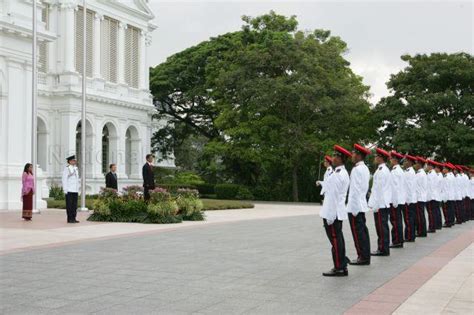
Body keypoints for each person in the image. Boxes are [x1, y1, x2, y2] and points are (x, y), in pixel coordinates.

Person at [319, 145, 351, 277]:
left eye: (334, 155)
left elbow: (334, 196)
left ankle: (339, 267)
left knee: (336, 240)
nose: (332, 157)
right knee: (338, 239)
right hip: (334, 211)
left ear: (339, 158)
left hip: (333, 213)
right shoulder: (338, 172)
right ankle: (341, 263)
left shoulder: (339, 174)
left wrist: (330, 215)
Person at [346, 144, 371, 265]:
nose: (352, 155)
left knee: (358, 233)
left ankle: (362, 256)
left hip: (355, 206)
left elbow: (355, 190)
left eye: (354, 153)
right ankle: (365, 255)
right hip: (360, 204)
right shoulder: (365, 168)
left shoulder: (357, 169)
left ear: (359, 155)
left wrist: (353, 208)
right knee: (363, 232)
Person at [368, 148, 392, 256]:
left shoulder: (382, 171)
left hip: (381, 203)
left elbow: (380, 189)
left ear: (381, 158)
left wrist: (376, 204)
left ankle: (383, 249)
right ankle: (382, 247)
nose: (375, 158)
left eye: (376, 156)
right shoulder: (381, 169)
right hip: (381, 203)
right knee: (381, 227)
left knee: (382, 227)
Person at [388, 151, 406, 248]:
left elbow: (395, 188)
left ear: (395, 159)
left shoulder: (395, 171)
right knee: (398, 220)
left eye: (391, 158)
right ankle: (399, 240)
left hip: (395, 200)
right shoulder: (399, 170)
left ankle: (397, 241)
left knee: (395, 221)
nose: (390, 160)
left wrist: (394, 201)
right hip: (399, 200)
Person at [403, 155, 418, 242]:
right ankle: (410, 235)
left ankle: (410, 236)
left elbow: (409, 187)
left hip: (409, 199)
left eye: (406, 161)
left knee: (409, 219)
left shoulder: (410, 172)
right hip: (410, 198)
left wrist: (407, 199)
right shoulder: (409, 171)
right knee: (409, 218)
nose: (404, 163)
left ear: (410, 162)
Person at [62, 155, 80, 223]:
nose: (74, 161)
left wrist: (78, 188)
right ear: (69, 161)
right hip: (69, 189)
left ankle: (74, 217)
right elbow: (64, 179)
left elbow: (76, 179)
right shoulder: (67, 168)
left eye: (74, 160)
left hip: (75, 189)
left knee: (74, 205)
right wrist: (65, 189)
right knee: (69, 205)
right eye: (73, 160)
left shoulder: (75, 168)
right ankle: (69, 218)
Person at [414, 157, 428, 237]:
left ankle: (421, 232)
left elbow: (417, 186)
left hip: (419, 197)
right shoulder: (421, 173)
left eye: (416, 163)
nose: (415, 165)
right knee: (420, 215)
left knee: (419, 216)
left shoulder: (420, 174)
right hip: (420, 196)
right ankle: (422, 231)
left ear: (419, 164)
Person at [425, 160, 438, 233]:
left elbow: (430, 186)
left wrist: (428, 196)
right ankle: (433, 226)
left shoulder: (431, 174)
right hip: (432, 195)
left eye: (427, 165)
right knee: (432, 212)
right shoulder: (432, 174)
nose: (426, 167)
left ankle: (432, 227)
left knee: (431, 213)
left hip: (431, 196)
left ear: (430, 166)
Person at [441, 163, 456, 227]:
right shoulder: (452, 175)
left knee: (447, 210)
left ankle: (448, 222)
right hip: (451, 195)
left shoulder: (447, 176)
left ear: (447, 169)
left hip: (447, 196)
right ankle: (451, 221)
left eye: (444, 168)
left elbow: (445, 188)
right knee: (451, 209)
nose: (443, 170)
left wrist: (444, 197)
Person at [433, 161, 444, 230]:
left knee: (436, 211)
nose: (435, 169)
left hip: (437, 194)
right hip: (438, 194)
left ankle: (437, 224)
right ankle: (438, 224)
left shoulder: (438, 176)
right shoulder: (439, 175)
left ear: (439, 169)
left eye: (436, 168)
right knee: (437, 211)